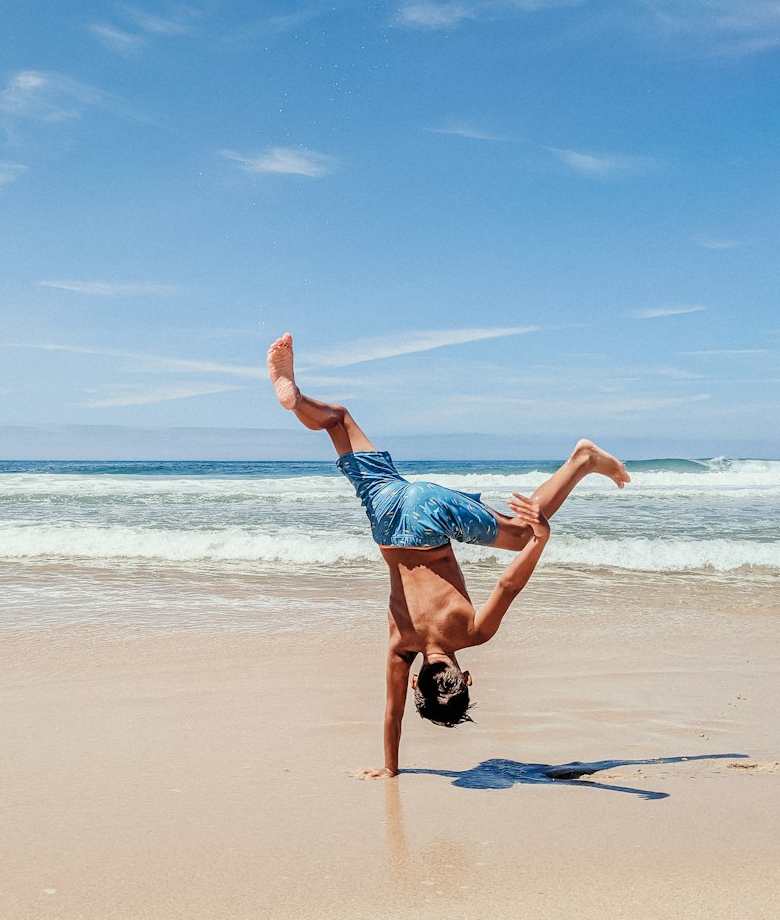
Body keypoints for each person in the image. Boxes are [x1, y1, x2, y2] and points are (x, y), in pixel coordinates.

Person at [266, 332, 631, 778]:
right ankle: (296, 398)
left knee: (517, 535)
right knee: (339, 421)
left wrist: (540, 540)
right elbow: (391, 714)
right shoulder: (401, 649)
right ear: (417, 681)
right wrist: (390, 769)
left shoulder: (473, 634)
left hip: (427, 518)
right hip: (387, 519)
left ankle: (582, 459)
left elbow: (508, 583)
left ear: (468, 679)